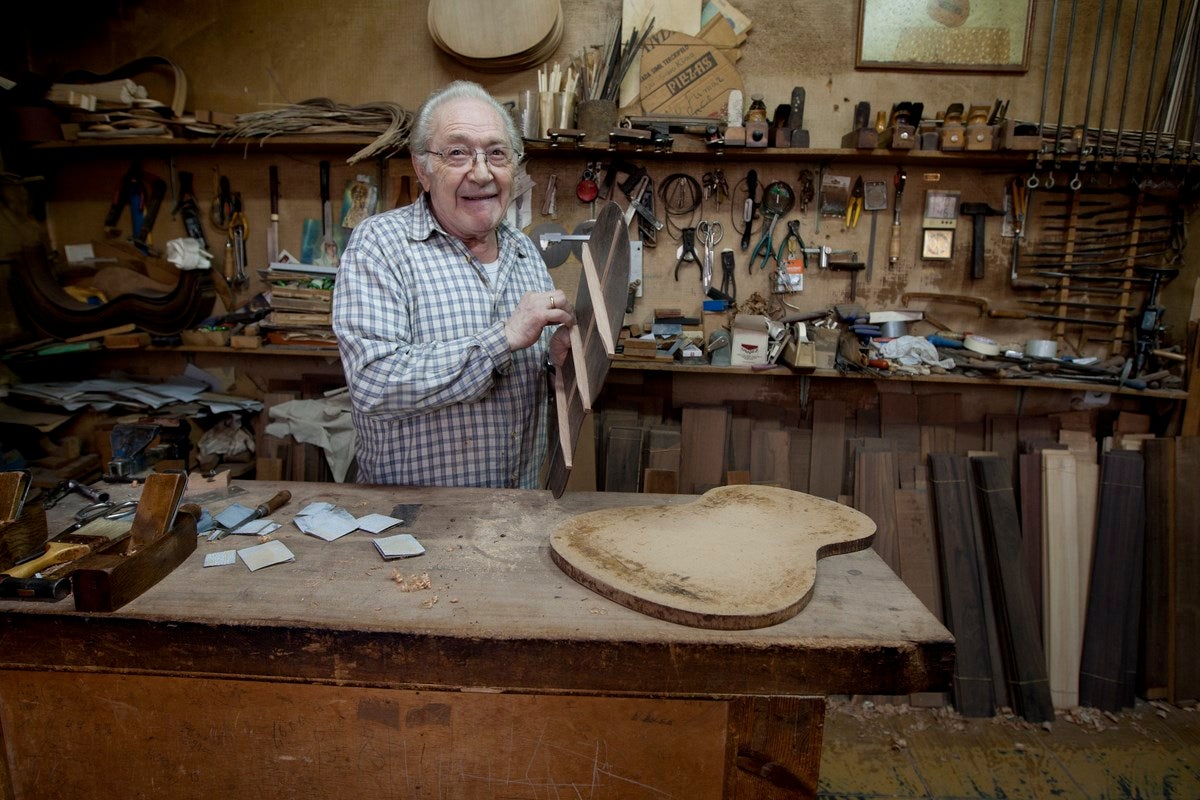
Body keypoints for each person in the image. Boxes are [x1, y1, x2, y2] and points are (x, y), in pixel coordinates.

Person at [332, 80, 575, 488]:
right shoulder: (380, 245)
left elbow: (533, 383)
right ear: (422, 169)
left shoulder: (523, 251)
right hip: (418, 515)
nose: (481, 173)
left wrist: (554, 361)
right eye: (457, 153)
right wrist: (502, 339)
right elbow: (373, 384)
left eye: (497, 153)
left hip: (517, 508)